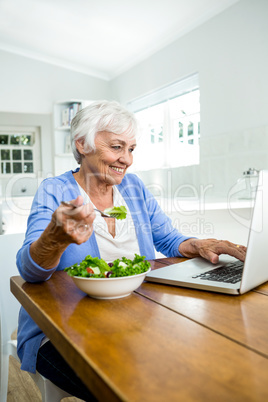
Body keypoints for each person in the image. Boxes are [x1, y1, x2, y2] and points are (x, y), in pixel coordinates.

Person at [16, 100, 246, 400]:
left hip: (136, 318)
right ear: (82, 144)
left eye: (131, 149)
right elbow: (29, 271)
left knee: (200, 363)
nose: (127, 159)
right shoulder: (55, 190)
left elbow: (169, 238)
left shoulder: (133, 187)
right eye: (117, 147)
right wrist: (55, 239)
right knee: (138, 386)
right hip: (62, 332)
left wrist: (200, 243)